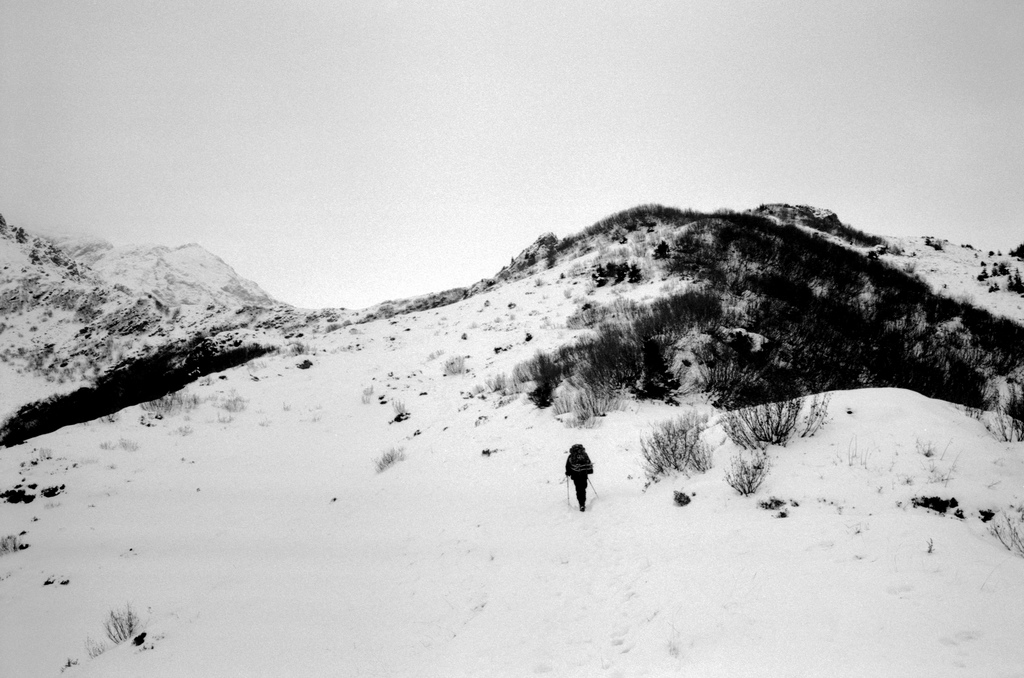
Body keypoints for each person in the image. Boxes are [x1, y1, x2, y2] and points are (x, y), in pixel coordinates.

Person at [565, 443, 593, 512]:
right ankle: (583, 502)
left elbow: (567, 466)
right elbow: (588, 463)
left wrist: (568, 473)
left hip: (575, 476)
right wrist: (588, 471)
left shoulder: (571, 456)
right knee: (583, 489)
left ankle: (581, 503)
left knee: (578, 489)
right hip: (583, 475)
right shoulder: (584, 455)